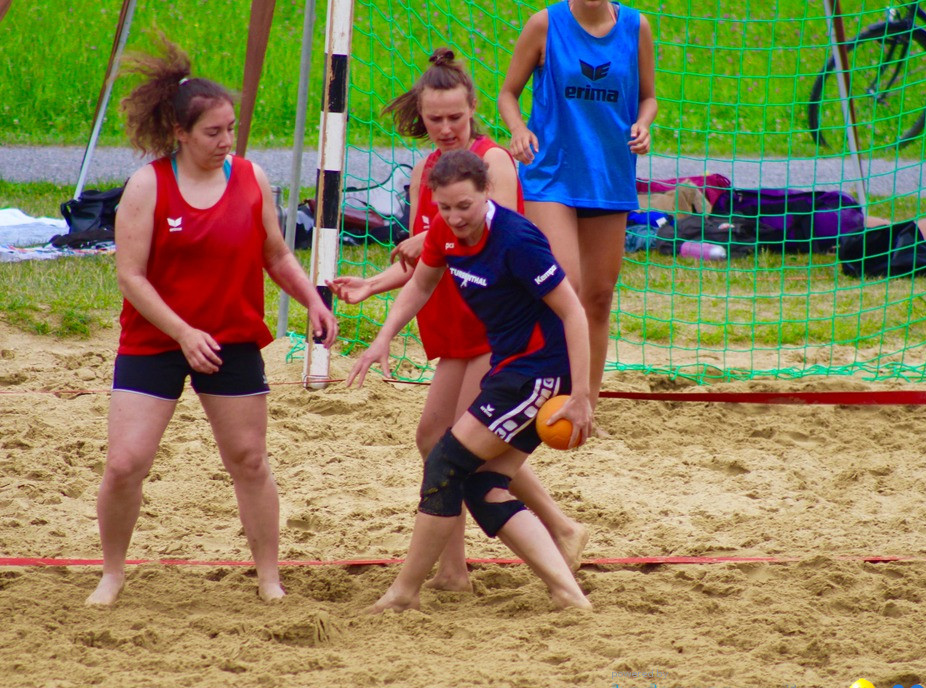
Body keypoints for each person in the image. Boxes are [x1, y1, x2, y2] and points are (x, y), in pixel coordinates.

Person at [85, 37, 337, 606]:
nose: (226, 142)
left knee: (249, 460)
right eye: (213, 132)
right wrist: (182, 331)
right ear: (179, 133)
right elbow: (131, 278)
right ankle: (113, 572)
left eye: (230, 129)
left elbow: (275, 255)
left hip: (231, 336)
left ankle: (269, 577)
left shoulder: (250, 178)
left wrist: (313, 302)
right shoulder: (149, 185)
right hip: (158, 337)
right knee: (125, 463)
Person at [328, 49, 587, 591]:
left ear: (473, 111)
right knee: (435, 440)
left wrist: (427, 239)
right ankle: (459, 566)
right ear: (420, 117)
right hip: (453, 316)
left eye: (455, 118)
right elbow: (428, 264)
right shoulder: (429, 170)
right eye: (434, 119)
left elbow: (494, 240)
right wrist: (373, 285)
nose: (445, 129)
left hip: (494, 322)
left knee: (464, 447)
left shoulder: (491, 162)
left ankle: (544, 535)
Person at [498, 0, 657, 408]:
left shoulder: (637, 27)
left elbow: (649, 98)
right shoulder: (545, 24)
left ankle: (585, 401)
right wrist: (518, 130)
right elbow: (507, 94)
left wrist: (643, 124)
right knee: (564, 286)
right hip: (552, 174)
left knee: (599, 297)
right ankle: (543, 389)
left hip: (607, 177)